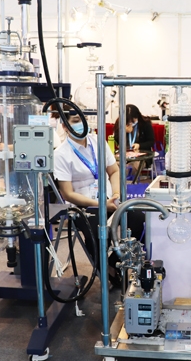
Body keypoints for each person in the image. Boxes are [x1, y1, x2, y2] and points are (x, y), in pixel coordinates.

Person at [54, 112, 144, 285]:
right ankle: (105, 270)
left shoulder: (98, 142)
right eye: (75, 121)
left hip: (110, 199)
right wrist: (101, 205)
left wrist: (116, 194)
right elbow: (67, 193)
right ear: (64, 126)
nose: (81, 124)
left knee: (139, 219)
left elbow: (114, 171)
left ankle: (113, 263)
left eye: (83, 119)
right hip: (83, 206)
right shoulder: (61, 154)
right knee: (97, 234)